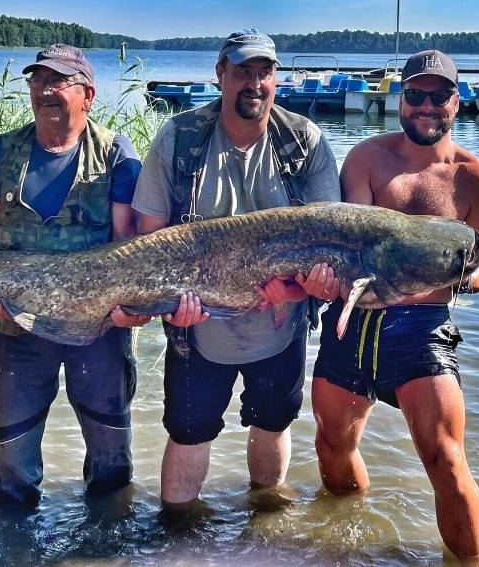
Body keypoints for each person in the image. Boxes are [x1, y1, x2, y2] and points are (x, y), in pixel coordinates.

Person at [131, 28, 341, 507]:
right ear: (220, 75)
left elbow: (329, 239)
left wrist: (301, 289)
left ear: (276, 79)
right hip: (198, 326)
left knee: (273, 423)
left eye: (264, 72)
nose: (254, 83)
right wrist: (167, 305)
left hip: (279, 327)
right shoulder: (181, 138)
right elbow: (148, 240)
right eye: (242, 71)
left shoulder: (303, 141)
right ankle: (177, 533)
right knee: (188, 432)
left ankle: (265, 523)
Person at [311, 50, 479, 562]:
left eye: (438, 95)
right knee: (332, 446)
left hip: (421, 331)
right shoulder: (366, 159)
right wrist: (323, 279)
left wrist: (447, 278)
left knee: (444, 458)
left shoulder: (476, 180)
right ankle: (346, 539)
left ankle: (472, 561)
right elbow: (341, 244)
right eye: (415, 95)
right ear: (401, 100)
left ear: (456, 102)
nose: (425, 106)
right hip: (352, 322)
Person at [0, 44, 151, 506]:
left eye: (58, 81)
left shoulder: (116, 154)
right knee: (10, 467)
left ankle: (105, 547)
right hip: (16, 329)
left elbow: (129, 240)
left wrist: (134, 309)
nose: (45, 90)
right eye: (37, 80)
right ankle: (11, 549)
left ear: (88, 94)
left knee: (112, 462)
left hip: (99, 331)